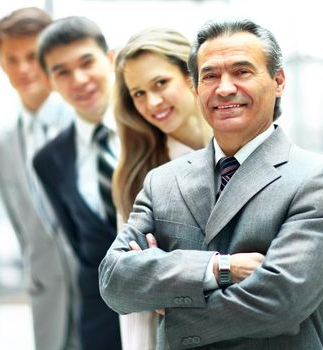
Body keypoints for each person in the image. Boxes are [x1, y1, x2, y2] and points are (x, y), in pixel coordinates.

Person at [99, 18, 323, 350]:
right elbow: (114, 281)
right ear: (196, 87)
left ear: (278, 80)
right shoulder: (161, 181)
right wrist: (220, 268)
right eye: (211, 76)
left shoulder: (318, 178)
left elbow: (282, 302)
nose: (225, 88)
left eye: (242, 72)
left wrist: (169, 305)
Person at [112, 27, 212, 349]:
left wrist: (166, 275)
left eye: (160, 84)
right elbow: (134, 295)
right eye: (138, 93)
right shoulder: (137, 175)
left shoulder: (249, 149)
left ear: (190, 74)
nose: (152, 102)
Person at [32, 16, 121, 350]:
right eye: (62, 72)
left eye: (87, 63)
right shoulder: (48, 161)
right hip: (101, 324)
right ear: (50, 81)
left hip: (176, 312)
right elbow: (82, 244)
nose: (79, 80)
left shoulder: (153, 128)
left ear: (110, 59)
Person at [0, 7, 79, 350]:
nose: (23, 68)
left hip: (104, 297)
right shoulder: (2, 144)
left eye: (32, 56)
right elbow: (21, 226)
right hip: (47, 302)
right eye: (10, 58)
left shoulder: (86, 124)